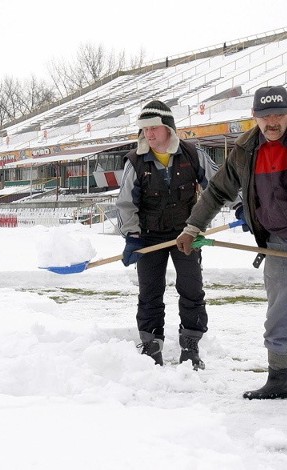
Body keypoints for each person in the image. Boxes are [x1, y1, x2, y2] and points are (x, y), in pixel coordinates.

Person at [176, 86, 287, 414]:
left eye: (279, 114)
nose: (272, 122)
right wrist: (193, 226)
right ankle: (281, 380)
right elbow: (217, 191)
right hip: (279, 247)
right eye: (265, 116)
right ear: (254, 117)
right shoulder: (246, 149)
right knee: (278, 318)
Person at [116, 100, 221, 370]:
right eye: (144, 129)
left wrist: (243, 205)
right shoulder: (135, 161)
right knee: (150, 292)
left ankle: (191, 346)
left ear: (168, 128)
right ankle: (151, 347)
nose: (148, 134)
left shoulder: (191, 154)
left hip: (187, 232)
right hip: (148, 237)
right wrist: (132, 237)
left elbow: (219, 187)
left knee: (191, 288)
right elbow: (126, 204)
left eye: (154, 128)